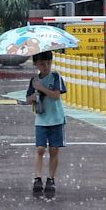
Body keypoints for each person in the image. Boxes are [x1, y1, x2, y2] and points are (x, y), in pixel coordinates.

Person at [26, 51, 66, 195]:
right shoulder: (34, 80)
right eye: (42, 64)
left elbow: (56, 95)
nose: (46, 66)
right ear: (35, 64)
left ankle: (51, 178)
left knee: (54, 149)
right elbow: (27, 99)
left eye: (49, 63)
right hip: (41, 120)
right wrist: (34, 94)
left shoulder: (55, 77)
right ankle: (37, 177)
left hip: (56, 119)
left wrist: (41, 88)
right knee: (40, 149)